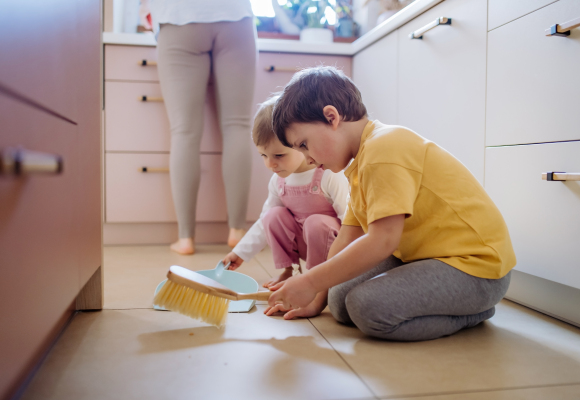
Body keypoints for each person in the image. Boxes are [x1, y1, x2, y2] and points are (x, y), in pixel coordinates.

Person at [266, 66, 517, 341]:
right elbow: (349, 236)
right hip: (428, 256)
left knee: (367, 309)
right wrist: (316, 295)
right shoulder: (359, 163)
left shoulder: (383, 149)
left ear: (331, 117)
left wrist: (309, 281)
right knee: (338, 300)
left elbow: (382, 241)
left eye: (304, 144)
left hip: (476, 268)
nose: (307, 159)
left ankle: (476, 311)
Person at [140, 0, 257, 254]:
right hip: (234, 16)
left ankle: (186, 239)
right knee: (237, 126)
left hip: (178, 17)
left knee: (184, 132)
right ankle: (237, 230)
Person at [222, 95, 349, 303]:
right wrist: (240, 253)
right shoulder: (278, 181)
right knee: (273, 215)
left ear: (302, 144)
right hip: (304, 243)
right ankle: (288, 271)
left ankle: (314, 278)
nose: (270, 164)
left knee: (317, 222)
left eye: (279, 155)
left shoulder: (328, 174)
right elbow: (264, 224)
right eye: (263, 155)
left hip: (330, 249)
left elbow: (350, 221)